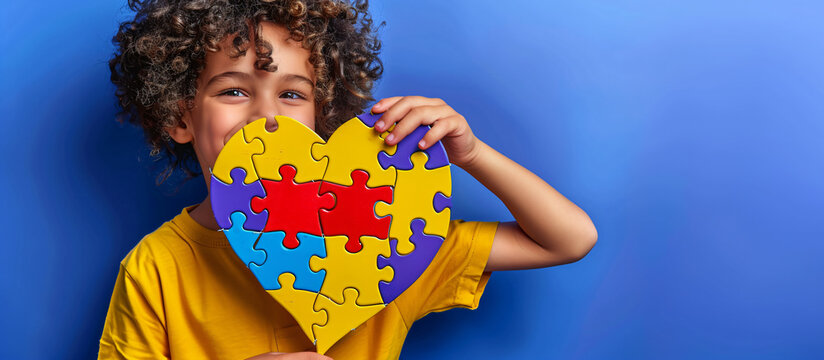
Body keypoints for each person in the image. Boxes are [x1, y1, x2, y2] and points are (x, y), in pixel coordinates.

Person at [99, 0, 598, 359]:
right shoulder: (155, 268)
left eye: (292, 95)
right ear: (179, 116)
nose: (266, 117)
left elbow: (570, 239)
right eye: (233, 91)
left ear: (323, 117)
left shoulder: (385, 235)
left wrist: (471, 154)